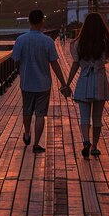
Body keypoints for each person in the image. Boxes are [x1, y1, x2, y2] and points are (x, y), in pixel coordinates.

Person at [12, 9, 70, 153]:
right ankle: (36, 144)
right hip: (43, 83)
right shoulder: (48, 41)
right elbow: (54, 64)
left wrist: (20, 72)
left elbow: (15, 60)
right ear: (42, 21)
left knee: (27, 110)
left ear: (30, 21)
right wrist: (63, 83)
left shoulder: (21, 39)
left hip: (26, 82)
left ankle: (26, 133)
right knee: (40, 114)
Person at [64, 13, 109, 158]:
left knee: (84, 116)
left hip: (84, 80)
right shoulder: (105, 42)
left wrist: (67, 83)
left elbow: (75, 65)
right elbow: (108, 59)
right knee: (97, 117)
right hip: (99, 79)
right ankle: (95, 146)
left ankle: (86, 141)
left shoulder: (78, 43)